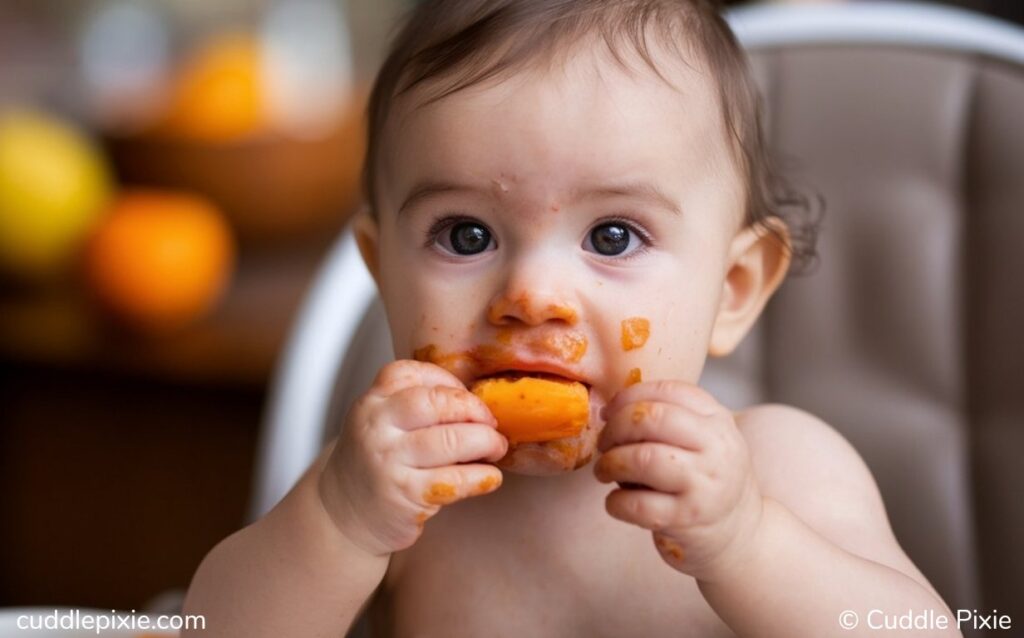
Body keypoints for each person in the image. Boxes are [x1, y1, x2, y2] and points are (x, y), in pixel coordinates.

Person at [182, 1, 960, 635]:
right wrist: (340, 523)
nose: (531, 295)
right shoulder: (393, 494)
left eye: (612, 236)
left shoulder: (784, 472)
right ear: (383, 273)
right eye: (467, 234)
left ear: (732, 289)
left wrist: (748, 542)